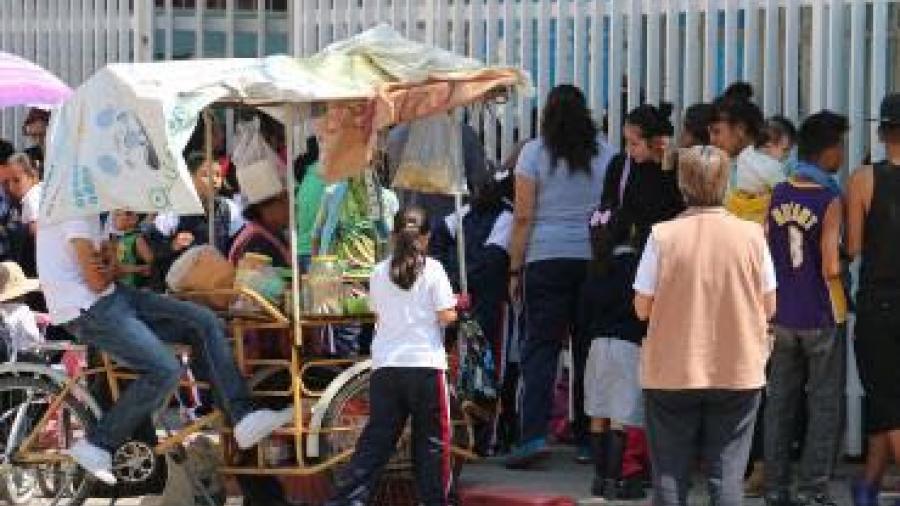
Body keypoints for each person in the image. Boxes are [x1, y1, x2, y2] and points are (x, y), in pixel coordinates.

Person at [36, 212, 293, 487]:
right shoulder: (74, 213)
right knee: (164, 370)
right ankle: (99, 443)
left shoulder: (91, 214)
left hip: (113, 297)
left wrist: (111, 263)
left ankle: (241, 415)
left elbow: (110, 271)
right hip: (88, 309)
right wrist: (110, 267)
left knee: (203, 321)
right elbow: (98, 280)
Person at [634, 145, 777, 506]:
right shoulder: (752, 237)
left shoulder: (661, 236)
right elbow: (770, 305)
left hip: (672, 370)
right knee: (727, 475)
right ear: (725, 183)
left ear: (682, 185)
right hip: (738, 368)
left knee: (669, 473)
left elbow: (641, 307)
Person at [506, 84, 614, 468]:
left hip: (544, 259)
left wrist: (515, 268)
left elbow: (522, 217)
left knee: (541, 351)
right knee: (587, 352)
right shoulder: (606, 153)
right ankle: (588, 439)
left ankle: (533, 436)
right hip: (591, 261)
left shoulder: (533, 153)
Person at [325, 206, 459, 506]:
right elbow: (446, 316)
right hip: (424, 366)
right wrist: (457, 306)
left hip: (386, 367)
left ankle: (346, 501)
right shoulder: (434, 269)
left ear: (394, 236)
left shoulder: (378, 271)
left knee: (376, 442)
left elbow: (378, 312)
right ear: (425, 238)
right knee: (432, 444)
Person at [763, 111, 848, 506]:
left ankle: (775, 487)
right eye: (841, 148)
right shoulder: (829, 198)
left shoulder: (778, 193)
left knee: (780, 402)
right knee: (823, 403)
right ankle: (813, 489)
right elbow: (831, 264)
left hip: (782, 313)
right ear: (828, 152)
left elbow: (766, 249)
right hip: (820, 312)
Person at [847, 93, 900, 506]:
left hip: (879, 303)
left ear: (882, 132)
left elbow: (854, 246)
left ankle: (869, 486)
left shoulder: (865, 180)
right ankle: (868, 484)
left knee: (885, 398)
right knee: (887, 402)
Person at [580, 217, 646, 500]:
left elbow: (582, 310)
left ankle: (598, 478)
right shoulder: (636, 266)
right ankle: (613, 480)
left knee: (598, 415)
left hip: (597, 345)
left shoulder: (596, 266)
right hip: (627, 346)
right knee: (620, 417)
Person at [147, 152, 244, 281]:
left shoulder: (229, 208)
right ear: (190, 179)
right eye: (206, 175)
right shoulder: (175, 209)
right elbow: (152, 248)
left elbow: (239, 244)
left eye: (218, 175)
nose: (214, 180)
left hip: (218, 281)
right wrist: (173, 245)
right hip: (182, 287)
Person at [601, 102, 685, 249]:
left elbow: (677, 209)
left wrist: (668, 169)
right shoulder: (620, 165)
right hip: (630, 252)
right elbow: (607, 206)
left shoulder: (677, 166)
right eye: (626, 142)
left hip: (670, 250)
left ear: (655, 142)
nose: (628, 149)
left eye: (634, 143)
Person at [711, 83, 786, 223]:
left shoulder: (767, 166)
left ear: (740, 129)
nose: (712, 140)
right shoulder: (728, 166)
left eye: (717, 132)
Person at [229, 159, 290, 267]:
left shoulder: (272, 234)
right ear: (267, 207)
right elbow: (256, 283)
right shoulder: (255, 243)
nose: (291, 206)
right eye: (286, 199)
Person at [4, 153, 42, 277]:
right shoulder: (40, 191)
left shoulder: (31, 198)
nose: (11, 186)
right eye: (8, 182)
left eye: (16, 180)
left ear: (33, 176)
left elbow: (36, 229)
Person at [107, 210, 154, 288]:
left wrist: (141, 269)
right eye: (115, 215)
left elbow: (152, 264)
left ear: (133, 219)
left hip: (135, 287)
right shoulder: (121, 239)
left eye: (118, 215)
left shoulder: (137, 239)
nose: (114, 218)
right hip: (122, 285)